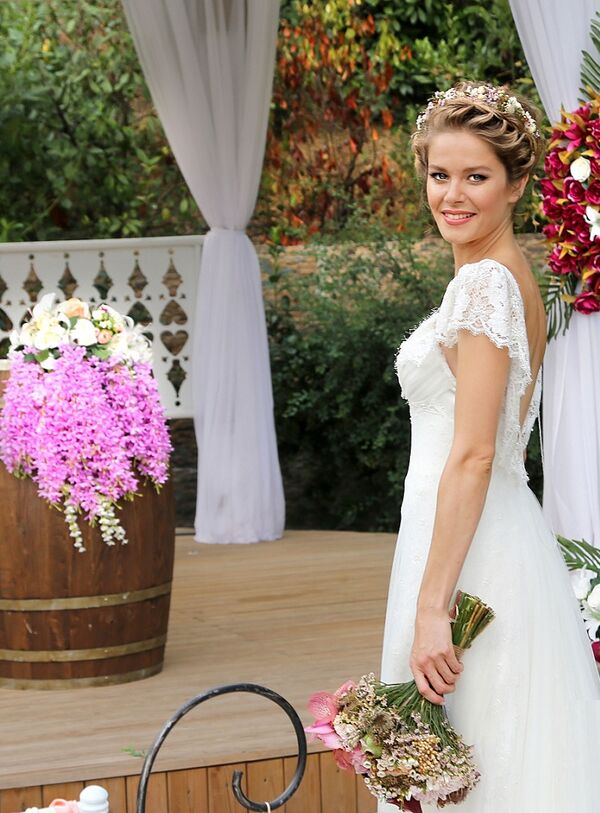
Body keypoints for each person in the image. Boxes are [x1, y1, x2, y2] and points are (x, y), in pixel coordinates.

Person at [378, 81, 600, 813]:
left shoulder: (484, 286)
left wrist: (432, 607)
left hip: (469, 562)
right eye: (440, 174)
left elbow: (475, 454)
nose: (453, 195)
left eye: (476, 176)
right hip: (488, 536)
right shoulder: (508, 278)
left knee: (477, 771)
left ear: (516, 184)